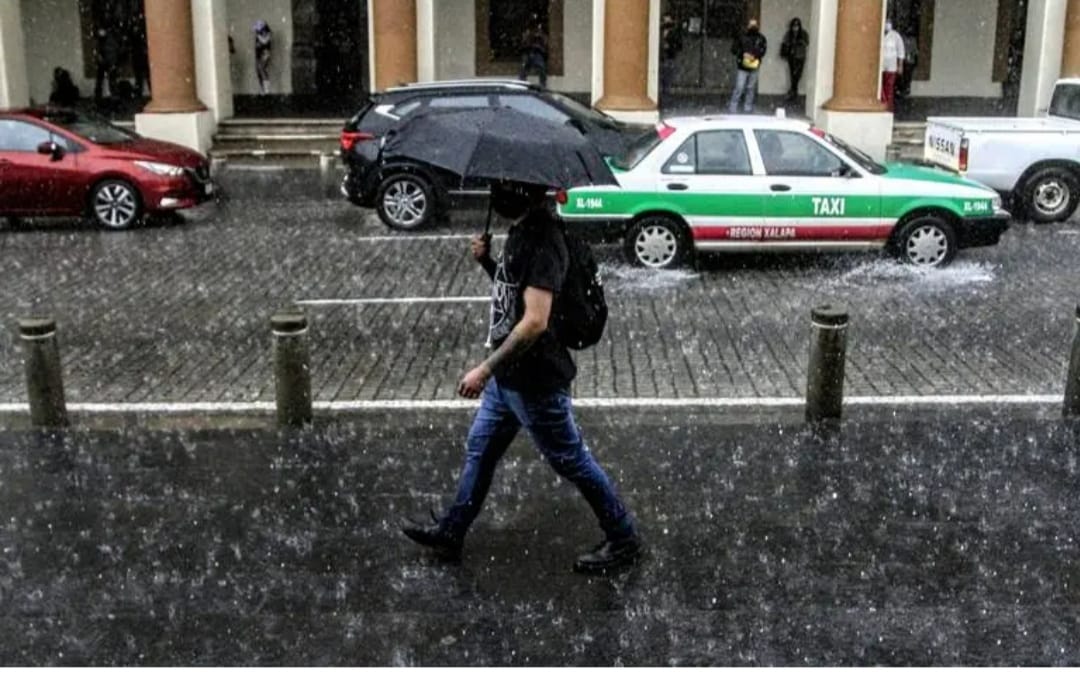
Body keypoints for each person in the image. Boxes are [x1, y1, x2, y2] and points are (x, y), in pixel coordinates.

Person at [401, 181, 641, 574]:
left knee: (572, 461)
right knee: (481, 449)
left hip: (535, 382)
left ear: (524, 194)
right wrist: (487, 263)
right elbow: (516, 293)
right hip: (508, 382)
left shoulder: (545, 240)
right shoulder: (522, 232)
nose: (495, 199)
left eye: (501, 192)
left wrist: (485, 369)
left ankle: (624, 538)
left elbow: (534, 321)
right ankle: (452, 529)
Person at [728, 18, 767, 114]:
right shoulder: (741, 37)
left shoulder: (761, 38)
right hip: (742, 66)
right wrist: (743, 54)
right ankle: (733, 107)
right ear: (747, 26)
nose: (753, 27)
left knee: (751, 88)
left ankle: (747, 107)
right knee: (739, 87)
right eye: (751, 25)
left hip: (755, 65)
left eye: (755, 25)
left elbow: (763, 50)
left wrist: (755, 56)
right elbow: (734, 49)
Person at [780, 17, 809, 104]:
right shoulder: (789, 34)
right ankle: (793, 92)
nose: (795, 27)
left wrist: (799, 42)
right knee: (793, 74)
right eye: (794, 25)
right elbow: (785, 42)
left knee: (798, 75)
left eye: (797, 25)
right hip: (791, 56)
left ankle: (793, 91)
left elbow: (806, 43)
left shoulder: (803, 33)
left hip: (800, 56)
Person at [881, 19, 905, 112]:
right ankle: (882, 104)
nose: (887, 25)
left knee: (889, 86)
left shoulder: (895, 36)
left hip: (891, 66)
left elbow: (901, 52)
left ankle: (889, 107)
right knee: (881, 87)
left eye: (889, 23)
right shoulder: (879, 35)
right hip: (881, 66)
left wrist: (900, 65)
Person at [93, 27, 120, 104]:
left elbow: (112, 53)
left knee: (112, 82)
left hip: (109, 63)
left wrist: (112, 63)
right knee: (101, 81)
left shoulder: (109, 41)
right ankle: (99, 98)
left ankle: (114, 99)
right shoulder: (100, 40)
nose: (100, 33)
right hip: (103, 63)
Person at [660, 14, 683, 101]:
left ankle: (665, 97)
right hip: (661, 58)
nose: (666, 24)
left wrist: (670, 46)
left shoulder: (675, 32)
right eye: (664, 22)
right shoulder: (660, 31)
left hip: (669, 57)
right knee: (662, 78)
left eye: (668, 22)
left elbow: (679, 46)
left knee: (667, 79)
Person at [519, 21, 549, 89]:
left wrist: (539, 39)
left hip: (537, 53)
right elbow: (523, 43)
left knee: (541, 68)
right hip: (527, 52)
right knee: (523, 69)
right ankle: (521, 85)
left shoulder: (540, 33)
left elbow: (545, 42)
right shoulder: (526, 33)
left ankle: (542, 85)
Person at [254, 20, 273, 95]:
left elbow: (265, 41)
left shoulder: (267, 33)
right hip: (258, 54)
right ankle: (263, 89)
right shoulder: (259, 34)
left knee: (262, 69)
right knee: (258, 71)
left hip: (265, 53)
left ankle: (267, 88)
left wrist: (258, 37)